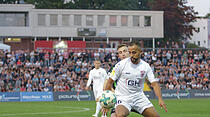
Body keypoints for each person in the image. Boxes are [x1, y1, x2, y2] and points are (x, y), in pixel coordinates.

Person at [102, 41, 167, 117]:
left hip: (139, 97)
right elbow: (109, 82)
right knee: (120, 115)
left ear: (140, 52)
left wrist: (160, 99)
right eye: (130, 53)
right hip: (123, 97)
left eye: (134, 52)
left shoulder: (145, 66)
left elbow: (155, 84)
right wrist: (106, 102)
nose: (131, 55)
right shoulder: (121, 64)